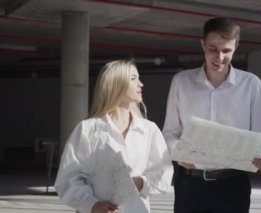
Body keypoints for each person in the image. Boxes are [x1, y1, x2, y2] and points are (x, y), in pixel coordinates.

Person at [162, 17, 261, 213]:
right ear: (202, 45)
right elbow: (169, 133)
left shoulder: (251, 84)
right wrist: (181, 155)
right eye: (212, 49)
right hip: (189, 184)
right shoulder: (181, 81)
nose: (219, 57)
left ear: (236, 47)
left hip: (233, 185)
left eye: (226, 50)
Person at [54, 60, 173, 213]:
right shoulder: (87, 130)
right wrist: (93, 205)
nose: (141, 84)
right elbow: (68, 179)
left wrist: (141, 182)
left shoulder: (149, 130)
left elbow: (164, 174)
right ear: (116, 84)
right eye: (133, 78)